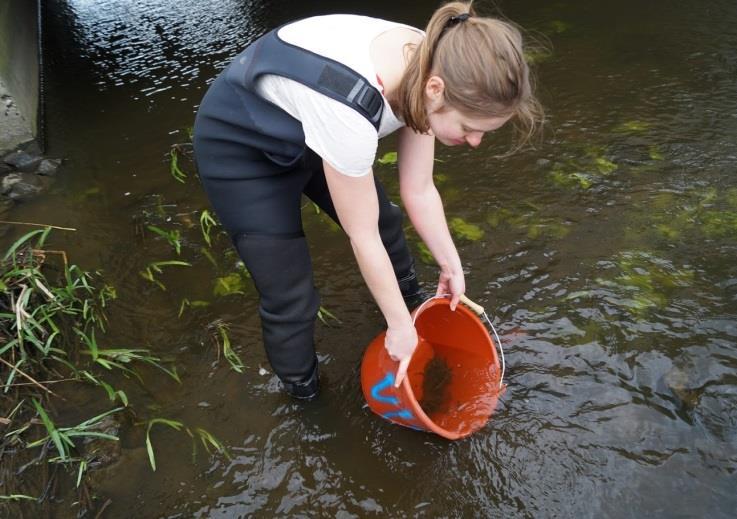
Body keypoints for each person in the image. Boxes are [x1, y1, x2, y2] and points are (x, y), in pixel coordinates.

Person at [193, 1, 542, 400]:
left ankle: (415, 311)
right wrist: (396, 327)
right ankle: (304, 396)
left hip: (311, 126)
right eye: (470, 127)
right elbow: (362, 236)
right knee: (290, 294)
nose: (476, 142)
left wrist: (451, 264)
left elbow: (419, 189)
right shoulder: (354, 103)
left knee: (385, 223)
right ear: (435, 90)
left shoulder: (437, 64)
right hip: (242, 147)